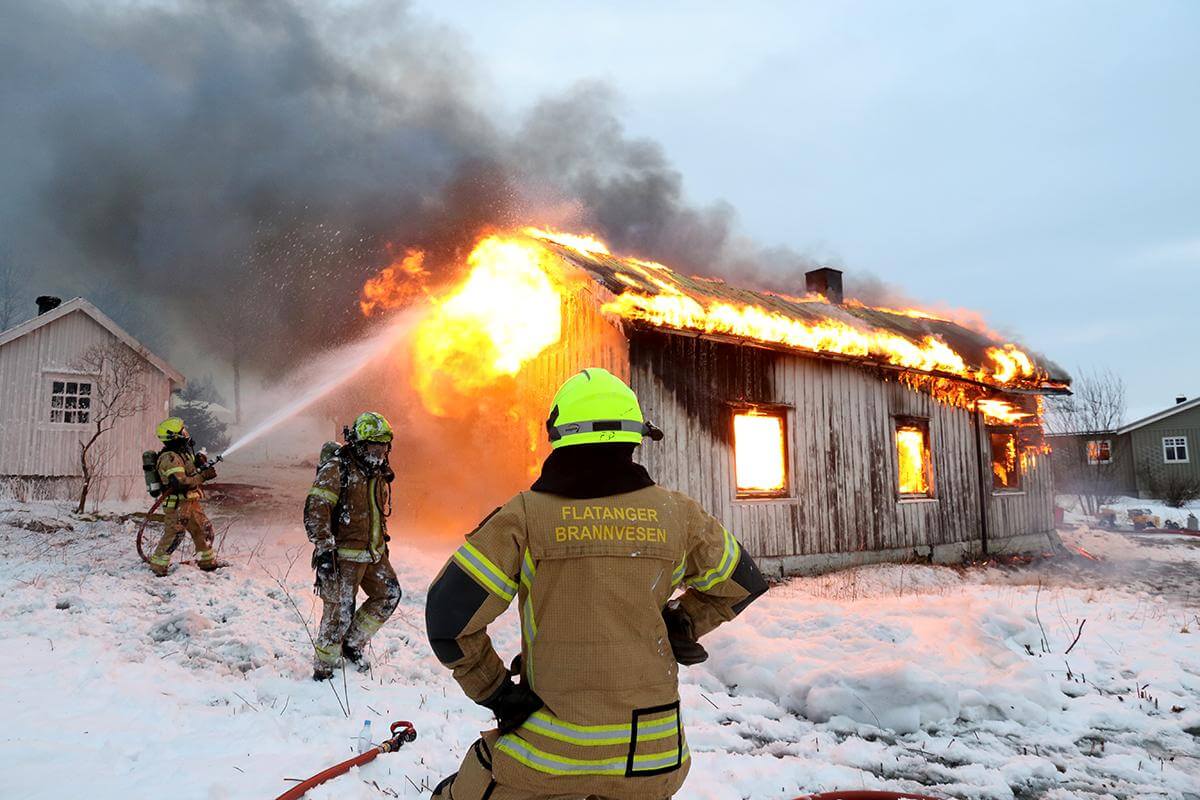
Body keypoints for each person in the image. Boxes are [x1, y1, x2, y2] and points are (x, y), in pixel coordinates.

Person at [425, 368, 769, 800]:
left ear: (558, 436)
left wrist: (495, 691)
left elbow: (447, 617)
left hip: (545, 762)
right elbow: (743, 581)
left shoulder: (525, 518)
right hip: (653, 761)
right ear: (635, 438)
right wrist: (683, 621)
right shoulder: (677, 515)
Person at [304, 411, 402, 681]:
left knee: (389, 595)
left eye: (384, 445)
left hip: (372, 554)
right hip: (342, 557)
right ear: (359, 444)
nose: (380, 451)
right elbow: (316, 508)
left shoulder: (377, 471)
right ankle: (324, 670)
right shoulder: (338, 468)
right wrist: (324, 550)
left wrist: (381, 544)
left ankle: (352, 643)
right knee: (338, 613)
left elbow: (376, 513)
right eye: (374, 445)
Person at [148, 417, 220, 576]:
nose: (186, 434)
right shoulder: (170, 458)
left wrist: (199, 463)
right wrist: (203, 476)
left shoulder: (182, 454)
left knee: (203, 530)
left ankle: (207, 562)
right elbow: (180, 483)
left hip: (190, 502)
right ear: (174, 436)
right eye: (183, 432)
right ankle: (158, 566)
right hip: (177, 504)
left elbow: (190, 470)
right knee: (174, 535)